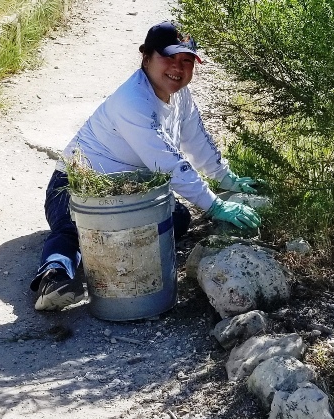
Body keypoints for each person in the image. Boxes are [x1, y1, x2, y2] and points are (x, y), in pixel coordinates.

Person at [32, 22, 262, 311]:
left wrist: (227, 178)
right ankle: (54, 279)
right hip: (74, 186)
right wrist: (215, 206)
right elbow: (166, 161)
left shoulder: (180, 96)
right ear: (146, 57)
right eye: (169, 57)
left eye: (186, 60)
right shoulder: (133, 101)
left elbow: (197, 140)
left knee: (178, 218)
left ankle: (104, 256)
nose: (177, 68)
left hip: (129, 194)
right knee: (75, 231)